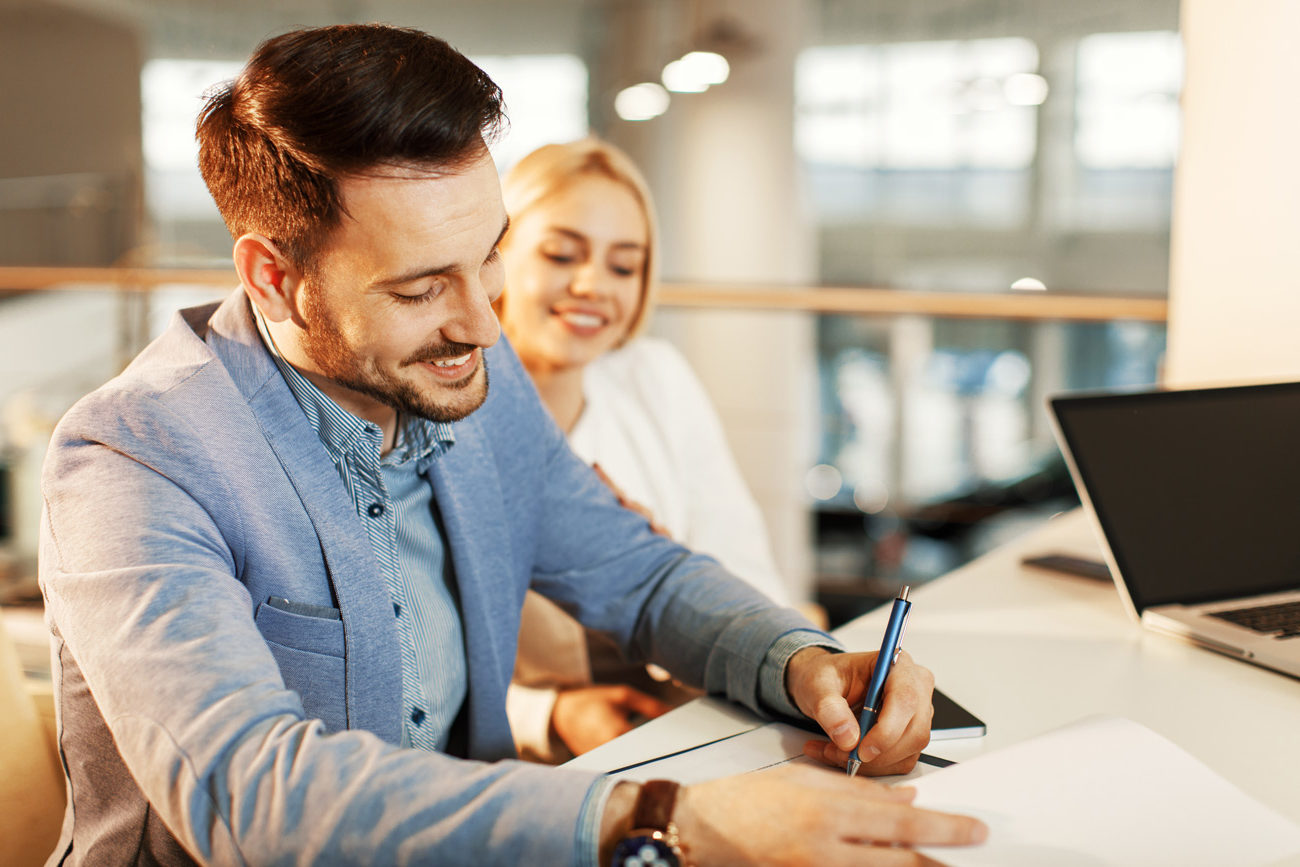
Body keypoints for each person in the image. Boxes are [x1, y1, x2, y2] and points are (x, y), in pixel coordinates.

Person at [37, 23, 986, 866]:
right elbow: (250, 798)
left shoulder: (469, 387)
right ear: (275, 278)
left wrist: (801, 661)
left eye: (488, 252)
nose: (484, 324)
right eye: (418, 289)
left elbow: (639, 574)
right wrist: (665, 820)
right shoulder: (135, 457)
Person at [496, 139, 802, 760]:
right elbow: (413, 662)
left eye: (624, 266)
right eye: (561, 254)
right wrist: (549, 714)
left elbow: (750, 576)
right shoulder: (442, 408)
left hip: (688, 720)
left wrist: (663, 566)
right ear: (494, 254)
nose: (592, 286)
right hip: (519, 759)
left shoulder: (654, 378)